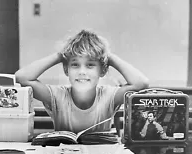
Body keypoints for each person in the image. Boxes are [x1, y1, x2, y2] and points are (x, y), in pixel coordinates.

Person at [15, 29, 149, 134]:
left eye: (90, 65)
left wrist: (108, 57)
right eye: (75, 65)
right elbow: (22, 78)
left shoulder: (109, 96)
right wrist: (60, 55)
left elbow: (141, 83)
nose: (82, 71)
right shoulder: (57, 96)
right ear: (66, 70)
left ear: (102, 70)